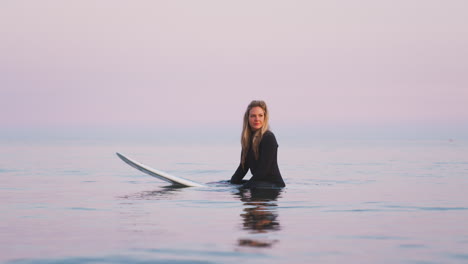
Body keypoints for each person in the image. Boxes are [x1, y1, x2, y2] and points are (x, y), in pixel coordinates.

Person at [230, 100, 286, 188]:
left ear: (265, 117)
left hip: (274, 186)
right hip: (259, 182)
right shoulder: (247, 139)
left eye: (260, 115)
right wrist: (231, 182)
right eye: (253, 116)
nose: (257, 119)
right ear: (248, 118)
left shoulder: (268, 137)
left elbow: (264, 171)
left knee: (244, 186)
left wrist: (243, 187)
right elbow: (243, 167)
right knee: (229, 183)